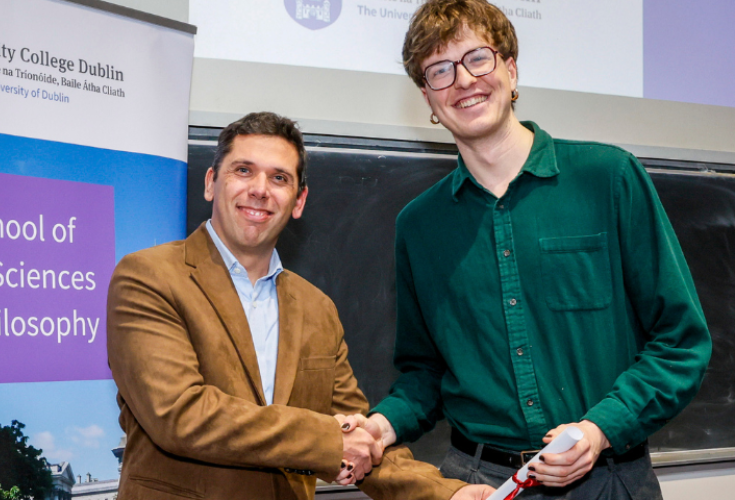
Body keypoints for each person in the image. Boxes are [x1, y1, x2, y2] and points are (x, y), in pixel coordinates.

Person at [342, 1, 712, 498]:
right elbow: (425, 373)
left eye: (478, 58)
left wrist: (599, 428)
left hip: (610, 481)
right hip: (476, 484)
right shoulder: (419, 226)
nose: (463, 80)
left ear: (511, 70)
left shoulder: (609, 179)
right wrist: (380, 426)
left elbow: (681, 341)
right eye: (440, 70)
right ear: (427, 98)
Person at [107, 111, 494, 500]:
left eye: (279, 178)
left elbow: (356, 433)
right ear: (211, 183)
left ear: (298, 201)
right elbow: (180, 414)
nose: (260, 189)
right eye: (243, 170)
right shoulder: (148, 277)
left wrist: (447, 494)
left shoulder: (317, 309)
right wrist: (330, 440)